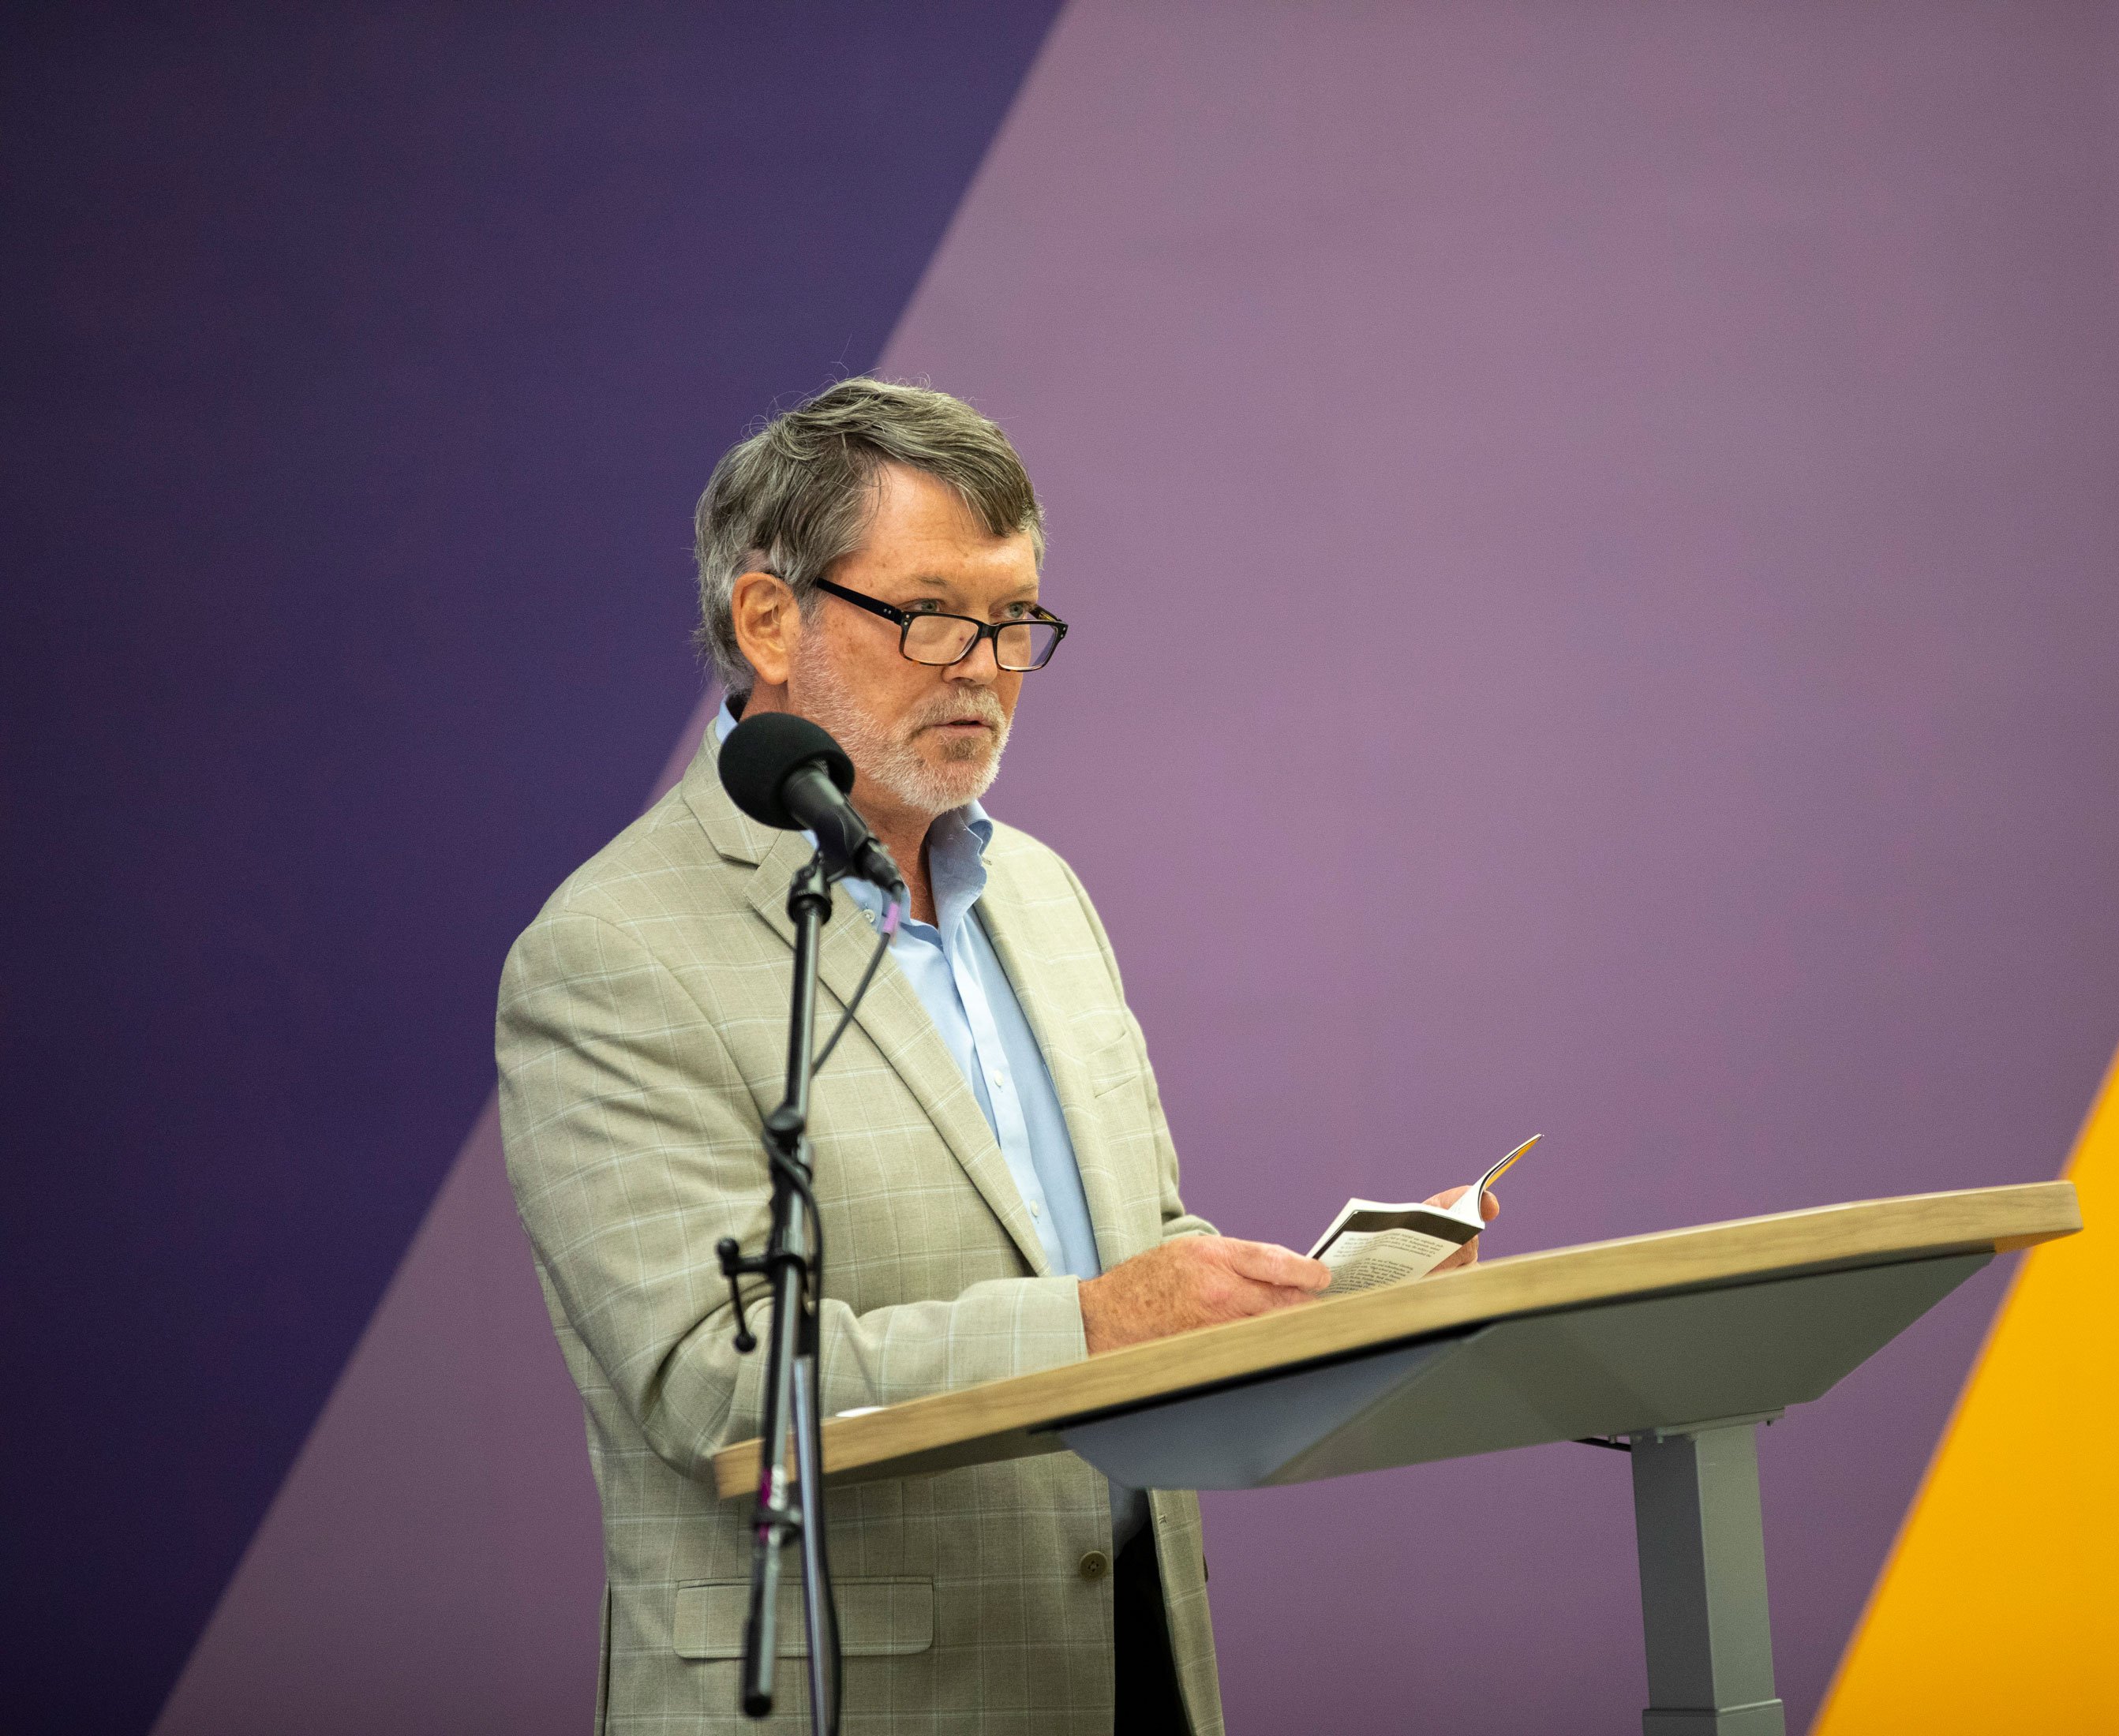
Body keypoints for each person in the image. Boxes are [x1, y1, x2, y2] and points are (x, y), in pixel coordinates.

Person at [496, 377, 1492, 1734]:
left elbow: (1126, 1247)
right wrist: (1097, 1324)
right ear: (769, 620)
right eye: (932, 615)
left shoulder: (1040, 893)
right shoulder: (613, 950)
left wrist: (1318, 1301)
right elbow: (718, 1387)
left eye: (1015, 620)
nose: (981, 664)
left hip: (1134, 1662)